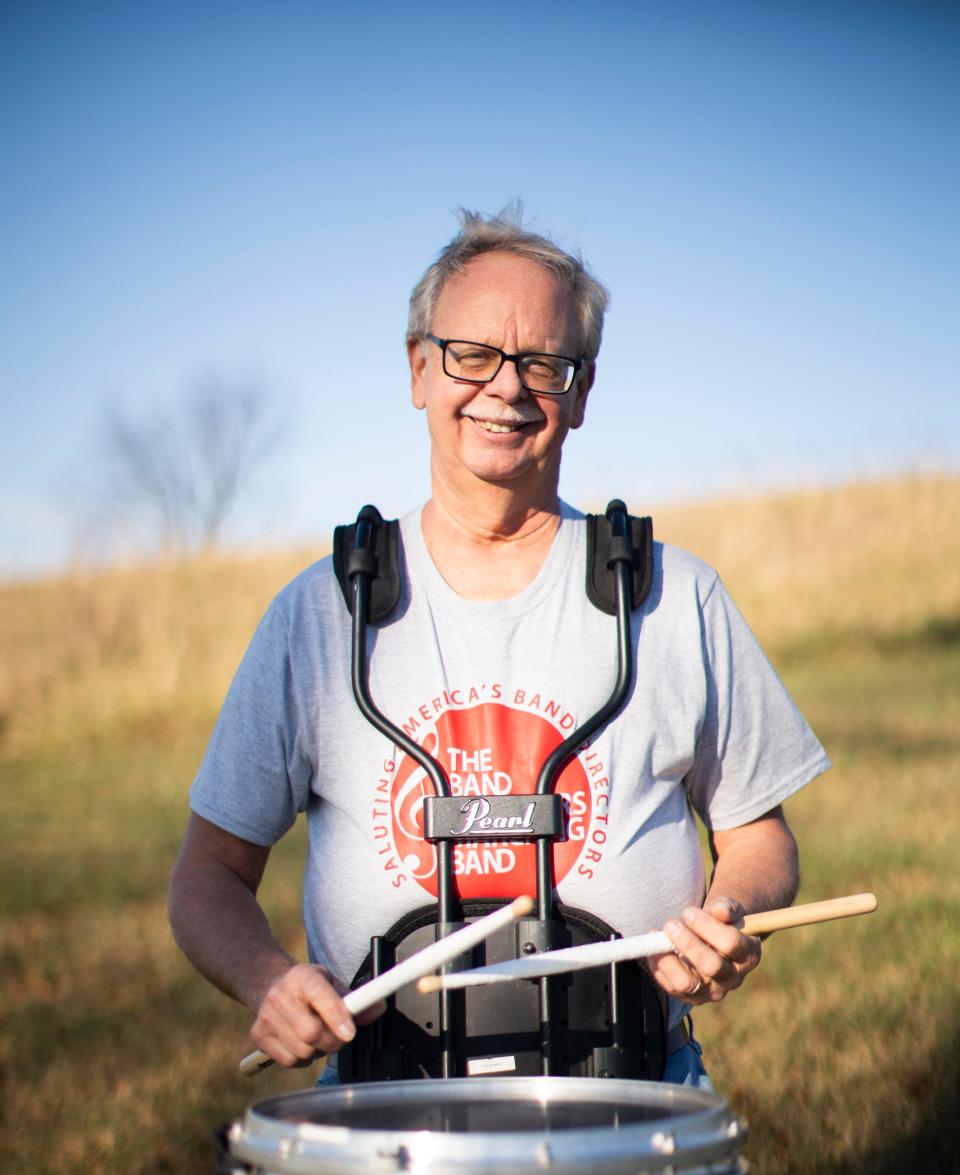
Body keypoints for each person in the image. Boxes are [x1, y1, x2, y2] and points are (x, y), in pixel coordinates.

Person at [169, 206, 829, 1089]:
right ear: (418, 367)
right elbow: (207, 875)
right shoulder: (322, 615)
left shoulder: (675, 598)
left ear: (582, 391)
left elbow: (757, 835)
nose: (505, 389)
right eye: (471, 355)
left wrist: (731, 910)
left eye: (542, 364)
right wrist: (268, 980)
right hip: (385, 1094)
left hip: (632, 1086)